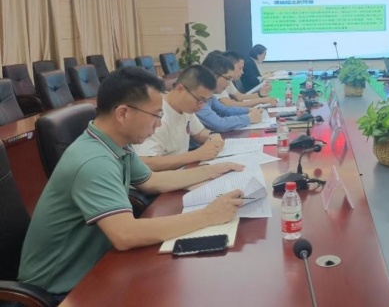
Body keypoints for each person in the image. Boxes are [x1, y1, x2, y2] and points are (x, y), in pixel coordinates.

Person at [18, 67, 245, 298]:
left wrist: (213, 170)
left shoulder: (116, 143)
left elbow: (152, 181)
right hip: (60, 288)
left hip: (97, 264)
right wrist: (208, 216)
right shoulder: (94, 162)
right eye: (156, 115)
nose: (158, 124)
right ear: (123, 114)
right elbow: (126, 234)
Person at [134, 65, 226, 171]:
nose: (201, 106)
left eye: (205, 101)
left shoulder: (186, 108)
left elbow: (199, 133)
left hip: (183, 169)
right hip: (165, 175)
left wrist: (212, 135)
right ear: (180, 89)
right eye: (200, 100)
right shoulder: (157, 115)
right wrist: (195, 155)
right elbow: (146, 163)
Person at [197, 53, 265, 132]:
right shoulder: (198, 97)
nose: (229, 84)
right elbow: (219, 124)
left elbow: (224, 110)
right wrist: (249, 118)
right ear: (213, 75)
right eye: (227, 78)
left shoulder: (210, 95)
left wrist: (249, 110)